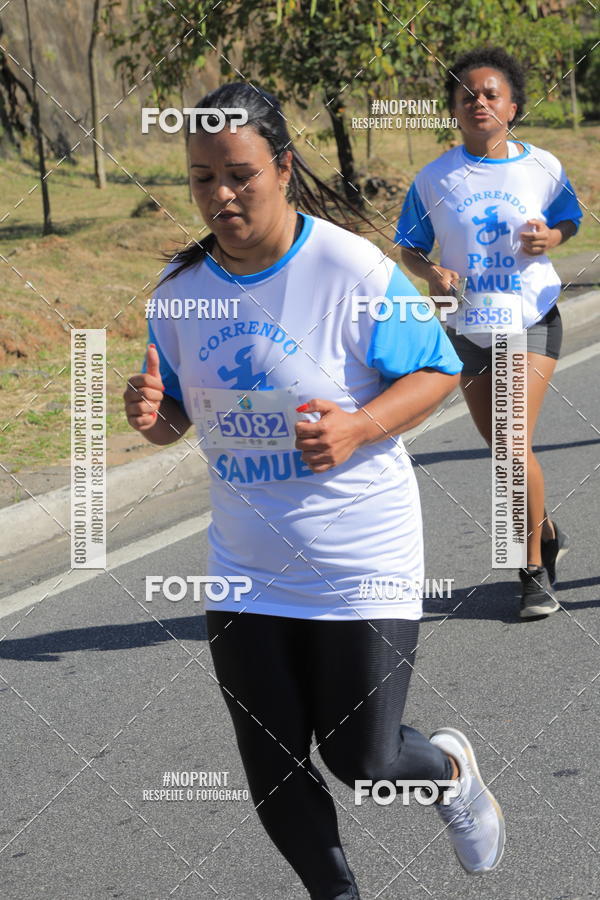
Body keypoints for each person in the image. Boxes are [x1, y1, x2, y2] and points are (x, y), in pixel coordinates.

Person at [124, 82, 505, 899]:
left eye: (239, 174)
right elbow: (178, 419)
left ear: (283, 167)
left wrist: (360, 427)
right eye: (201, 178)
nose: (220, 195)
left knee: (363, 759)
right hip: (245, 563)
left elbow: (440, 367)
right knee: (271, 760)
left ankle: (448, 771)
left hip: (360, 552)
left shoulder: (349, 265)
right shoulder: (177, 291)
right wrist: (152, 415)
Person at [396, 47, 582, 620]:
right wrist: (433, 273)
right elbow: (408, 247)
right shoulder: (434, 178)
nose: (478, 102)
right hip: (466, 328)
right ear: (454, 110)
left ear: (512, 106)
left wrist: (550, 238)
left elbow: (569, 217)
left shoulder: (543, 166)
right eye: (466, 95)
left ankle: (530, 573)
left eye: (490, 94)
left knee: (509, 444)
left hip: (529, 318)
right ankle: (545, 530)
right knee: (503, 449)